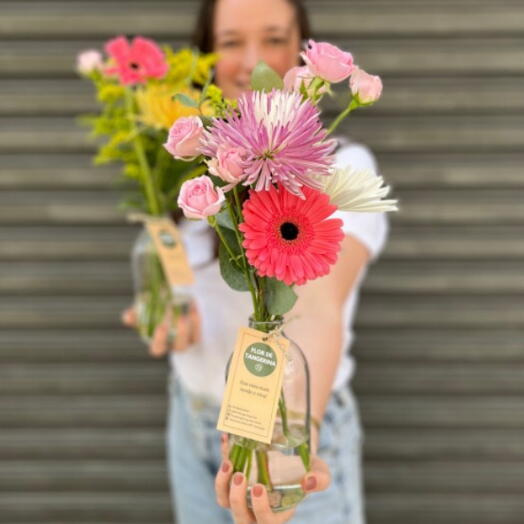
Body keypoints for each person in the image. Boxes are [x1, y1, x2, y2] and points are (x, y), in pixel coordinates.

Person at [123, 1, 388, 522]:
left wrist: (295, 434)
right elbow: (183, 277)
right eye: (229, 42)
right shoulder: (200, 166)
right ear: (207, 54)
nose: (250, 61)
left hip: (285, 433)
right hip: (193, 419)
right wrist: (166, 315)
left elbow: (314, 304)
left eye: (272, 39)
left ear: (302, 53)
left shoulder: (341, 170)